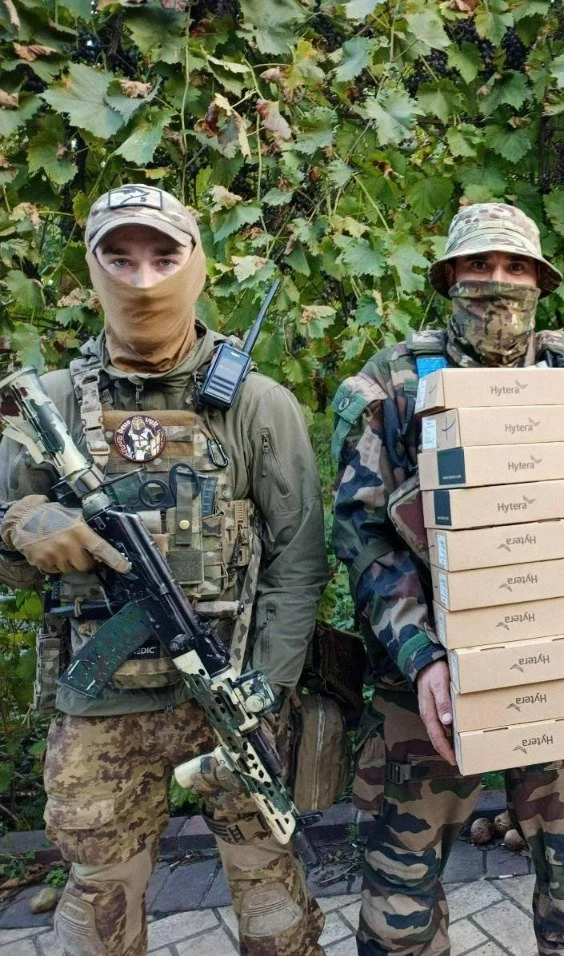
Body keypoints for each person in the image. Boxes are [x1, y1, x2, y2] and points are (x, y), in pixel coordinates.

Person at [0, 183, 327, 955]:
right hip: (100, 710)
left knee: (272, 907)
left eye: (163, 255)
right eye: (119, 257)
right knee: (101, 911)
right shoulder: (46, 402)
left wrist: (265, 690)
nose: (142, 278)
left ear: (196, 265)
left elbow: (298, 563)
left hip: (229, 694)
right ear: (92, 269)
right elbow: (8, 561)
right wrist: (21, 526)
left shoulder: (257, 406)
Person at [330, 202, 564, 956]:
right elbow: (363, 535)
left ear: (539, 280)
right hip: (426, 684)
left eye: (514, 269)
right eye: (479, 268)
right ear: (449, 278)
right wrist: (422, 656)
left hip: (552, 670)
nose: (496, 285)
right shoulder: (395, 387)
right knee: (399, 911)